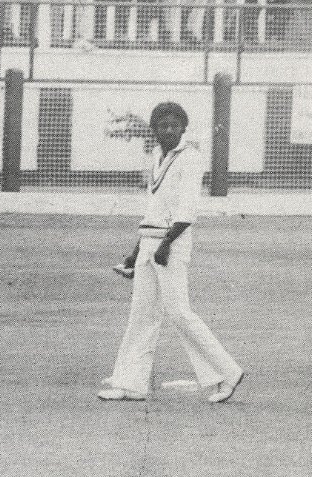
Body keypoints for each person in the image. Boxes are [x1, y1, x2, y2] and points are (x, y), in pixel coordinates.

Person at [98, 102, 244, 404]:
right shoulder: (157, 155)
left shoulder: (190, 158)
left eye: (173, 125)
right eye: (162, 125)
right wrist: (136, 252)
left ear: (183, 128)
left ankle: (227, 373)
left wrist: (166, 245)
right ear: (153, 130)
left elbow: (187, 210)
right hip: (150, 241)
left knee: (179, 313)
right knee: (141, 314)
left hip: (172, 244)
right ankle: (132, 383)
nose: (167, 130)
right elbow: (155, 208)